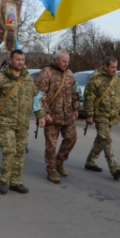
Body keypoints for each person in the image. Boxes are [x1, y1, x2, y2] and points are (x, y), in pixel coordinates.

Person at [0, 49, 46, 194]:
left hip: (23, 123)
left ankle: (16, 182)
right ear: (10, 60)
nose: (20, 62)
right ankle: (3, 179)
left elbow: (35, 99)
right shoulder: (0, 78)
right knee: (9, 151)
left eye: (22, 60)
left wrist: (40, 116)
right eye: (17, 59)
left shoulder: (28, 79)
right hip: (6, 122)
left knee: (20, 153)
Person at [35, 50, 80, 184]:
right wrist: (45, 113)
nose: (66, 64)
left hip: (67, 116)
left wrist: (76, 108)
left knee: (71, 138)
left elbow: (74, 92)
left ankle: (59, 162)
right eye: (63, 61)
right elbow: (39, 95)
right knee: (51, 146)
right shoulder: (46, 73)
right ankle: (51, 170)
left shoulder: (69, 73)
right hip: (52, 117)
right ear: (55, 60)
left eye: (67, 62)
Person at [83, 57, 120, 181]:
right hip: (100, 115)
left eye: (116, 67)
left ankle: (90, 162)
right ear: (105, 67)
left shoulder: (118, 79)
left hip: (111, 115)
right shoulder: (95, 79)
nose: (114, 69)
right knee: (106, 140)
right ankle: (115, 168)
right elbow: (89, 99)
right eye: (112, 67)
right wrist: (89, 115)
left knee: (100, 140)